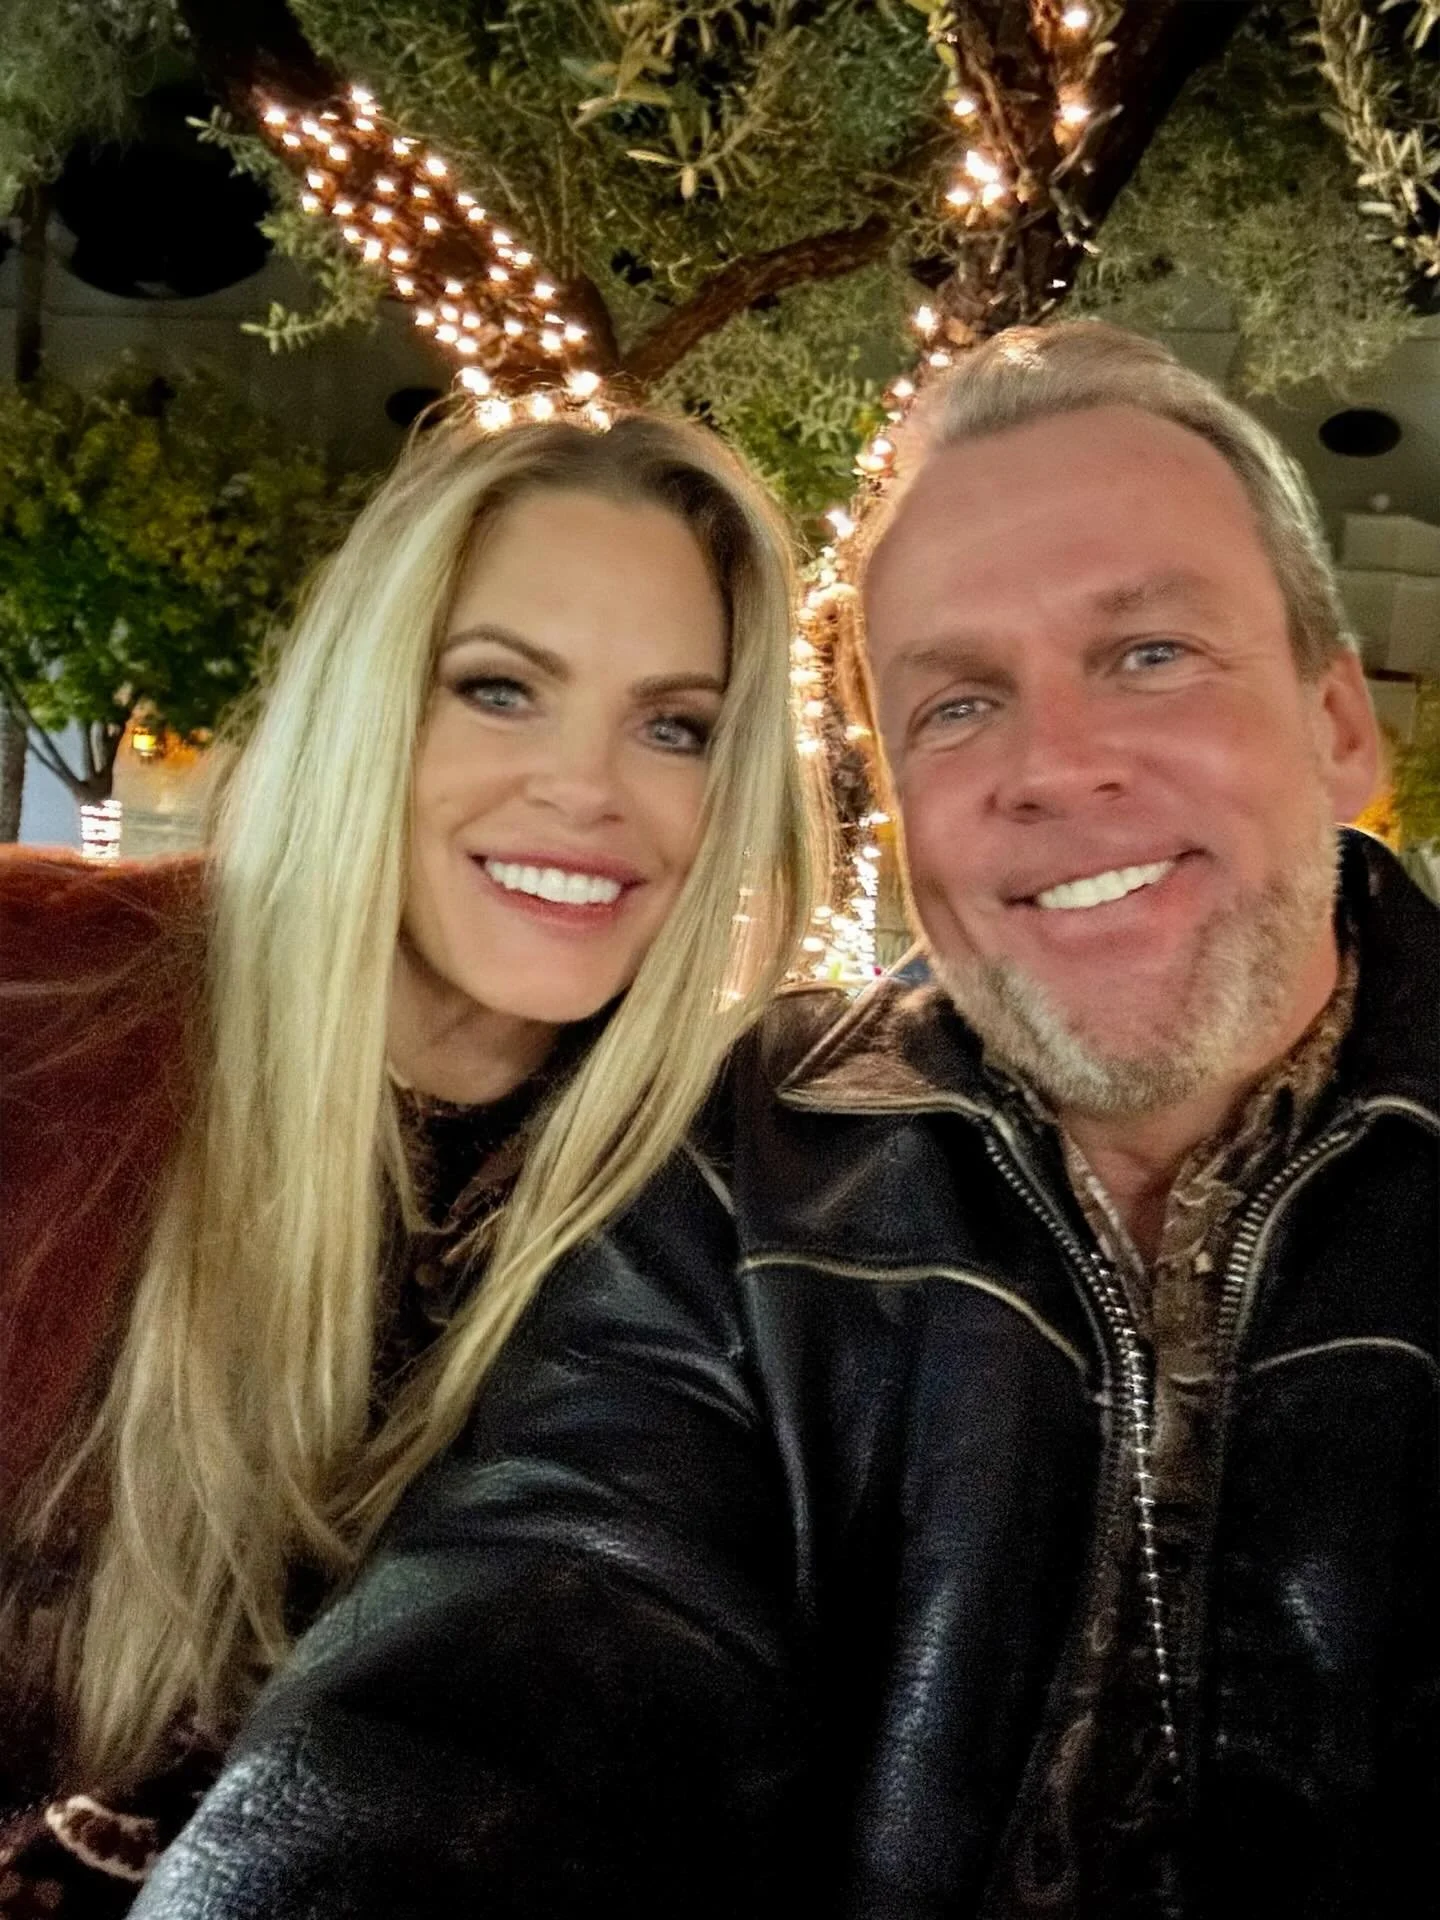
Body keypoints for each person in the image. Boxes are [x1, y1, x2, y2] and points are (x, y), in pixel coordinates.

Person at [134, 324, 1437, 1920]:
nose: (1054, 765)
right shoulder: (747, 1162)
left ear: (1340, 722)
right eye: (956, 704)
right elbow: (511, 1660)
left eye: (1151, 653)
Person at [0, 408, 817, 1912]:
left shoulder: (731, 1203)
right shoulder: (42, 1020)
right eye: (499, 690)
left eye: (676, 727)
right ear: (368, 700)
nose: (586, 789)